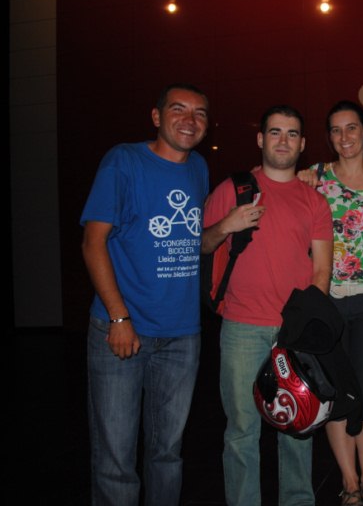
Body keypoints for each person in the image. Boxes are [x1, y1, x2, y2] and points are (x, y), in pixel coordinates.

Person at [81, 83, 210, 506]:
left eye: (200, 113)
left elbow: (191, 239)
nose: (189, 120)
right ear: (157, 117)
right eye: (178, 109)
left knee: (167, 454)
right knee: (116, 460)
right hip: (123, 330)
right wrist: (118, 317)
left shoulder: (199, 168)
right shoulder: (123, 161)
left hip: (182, 335)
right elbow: (93, 243)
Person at [202, 105, 333, 506]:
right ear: (260, 139)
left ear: (303, 144)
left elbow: (322, 270)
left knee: (298, 427)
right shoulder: (232, 190)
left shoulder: (314, 201)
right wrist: (227, 225)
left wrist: (304, 327)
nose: (283, 140)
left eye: (292, 134)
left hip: (293, 332)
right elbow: (202, 245)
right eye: (275, 132)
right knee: (242, 430)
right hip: (242, 326)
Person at [299, 100, 363, 506]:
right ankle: (348, 480)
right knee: (335, 392)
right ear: (329, 137)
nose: (344, 137)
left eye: (351, 128)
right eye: (336, 130)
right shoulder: (315, 177)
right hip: (328, 300)